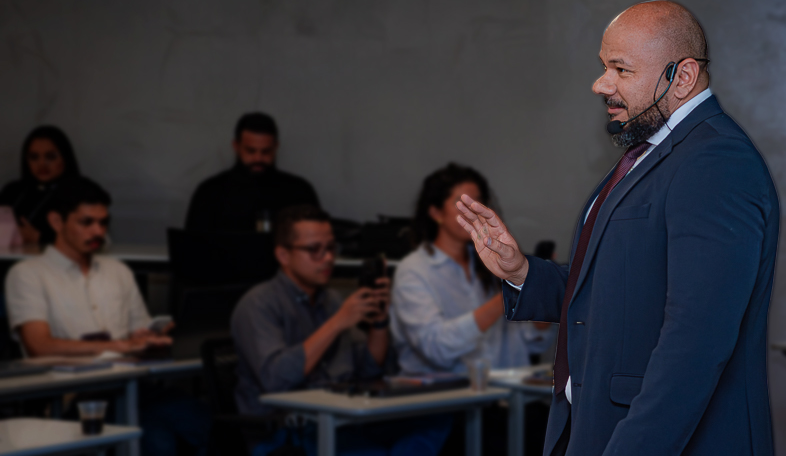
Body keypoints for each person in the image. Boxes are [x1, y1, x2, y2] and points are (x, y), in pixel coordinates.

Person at [455, 0, 779, 456]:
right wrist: (522, 272)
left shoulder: (715, 162)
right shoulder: (653, 151)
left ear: (682, 77)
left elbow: (696, 343)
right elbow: (617, 291)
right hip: (598, 429)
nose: (600, 84)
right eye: (604, 67)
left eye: (621, 70)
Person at [4, 177, 211, 455]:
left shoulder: (118, 271)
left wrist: (151, 338)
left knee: (203, 419)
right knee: (156, 436)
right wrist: (121, 345)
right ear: (56, 221)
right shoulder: (28, 274)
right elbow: (39, 345)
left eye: (103, 223)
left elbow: (137, 334)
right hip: (75, 397)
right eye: (86, 222)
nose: (98, 231)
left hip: (132, 385)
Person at [231, 205, 451, 456]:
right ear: (283, 255)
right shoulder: (259, 304)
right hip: (289, 430)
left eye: (331, 248)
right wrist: (336, 323)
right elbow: (276, 379)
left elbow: (369, 368)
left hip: (344, 417)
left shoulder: (332, 300)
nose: (327, 258)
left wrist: (379, 322)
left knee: (437, 420)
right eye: (314, 250)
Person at [390, 163, 553, 455]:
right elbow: (437, 347)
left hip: (508, 401)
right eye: (463, 205)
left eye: (479, 203)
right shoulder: (414, 271)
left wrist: (539, 301)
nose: (474, 213)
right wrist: (505, 294)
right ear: (436, 213)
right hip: (447, 408)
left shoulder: (487, 262)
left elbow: (529, 342)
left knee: (563, 431)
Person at [185, 112, 319, 232]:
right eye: (251, 151)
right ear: (236, 146)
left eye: (266, 151)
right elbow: (193, 244)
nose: (258, 158)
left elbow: (317, 239)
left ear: (276, 147)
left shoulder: (299, 192)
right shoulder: (210, 193)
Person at [0, 126, 81, 246]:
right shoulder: (12, 191)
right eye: (34, 157)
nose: (42, 164)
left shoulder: (80, 193)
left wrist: (39, 237)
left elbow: (87, 237)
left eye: (51, 156)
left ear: (65, 157)